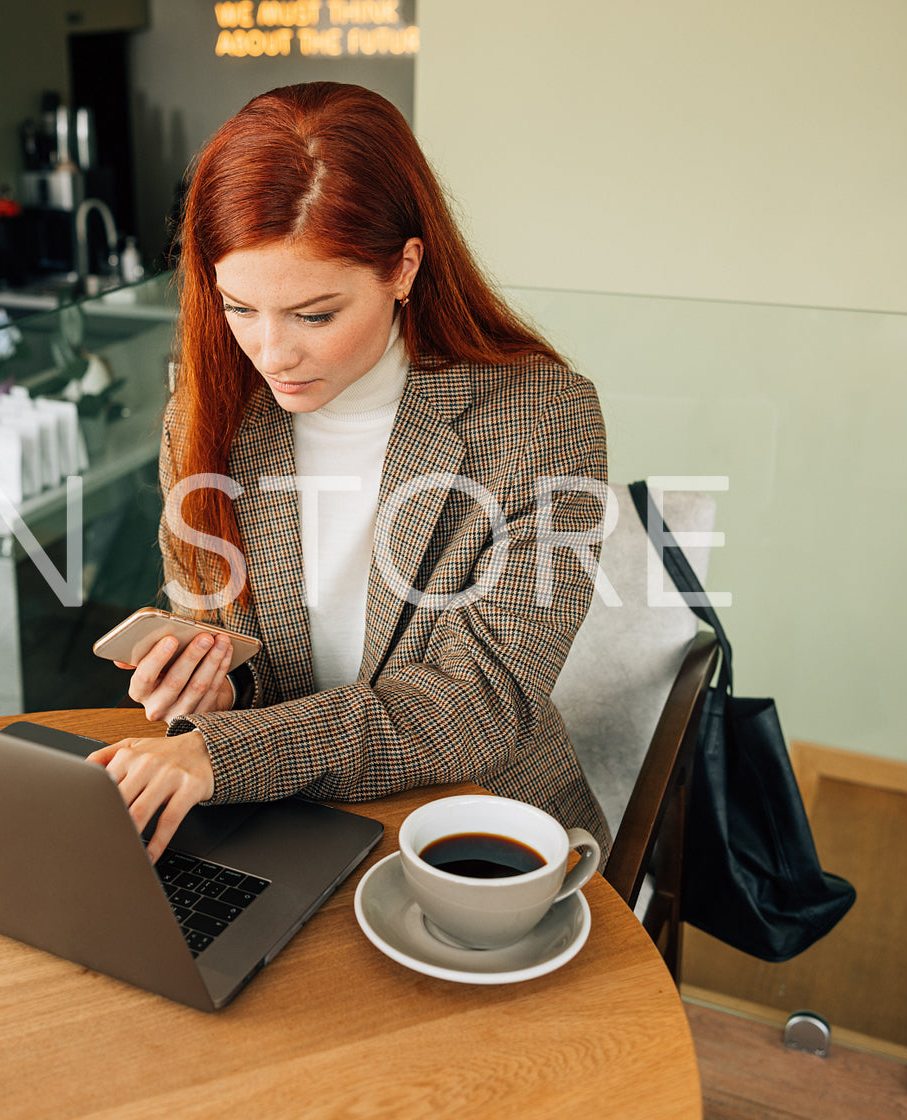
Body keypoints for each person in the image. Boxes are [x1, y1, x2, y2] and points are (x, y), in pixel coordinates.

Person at [88, 82, 611, 865]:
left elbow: (481, 702)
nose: (270, 353)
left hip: (474, 827)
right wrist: (217, 689)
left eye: (314, 314)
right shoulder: (206, 413)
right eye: (238, 308)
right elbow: (236, 644)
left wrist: (222, 752)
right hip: (282, 825)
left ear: (402, 269)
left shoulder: (543, 416)